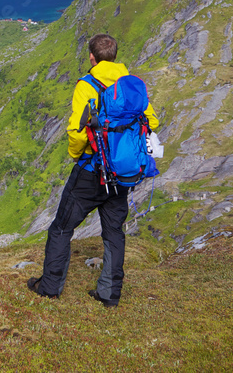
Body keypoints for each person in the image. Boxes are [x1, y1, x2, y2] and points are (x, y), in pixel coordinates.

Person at [27, 33, 159, 307]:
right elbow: (152, 121)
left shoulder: (87, 86)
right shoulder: (130, 86)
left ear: (92, 57)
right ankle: (109, 294)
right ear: (115, 56)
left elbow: (77, 132)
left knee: (62, 228)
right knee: (114, 232)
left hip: (91, 171)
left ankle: (50, 288)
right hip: (121, 174)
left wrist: (77, 155)